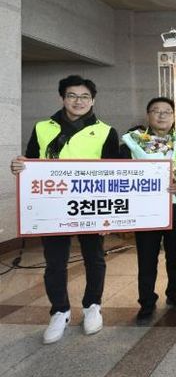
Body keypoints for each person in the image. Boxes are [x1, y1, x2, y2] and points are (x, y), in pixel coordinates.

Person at [10, 75, 119, 344]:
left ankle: (92, 306)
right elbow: (31, 164)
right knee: (55, 262)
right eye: (72, 96)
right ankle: (60, 311)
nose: (78, 101)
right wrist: (20, 166)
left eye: (84, 97)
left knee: (94, 258)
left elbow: (114, 174)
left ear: (93, 100)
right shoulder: (42, 127)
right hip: (53, 207)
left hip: (91, 207)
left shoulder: (106, 131)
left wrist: (110, 216)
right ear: (62, 98)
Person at [120, 97, 176, 324]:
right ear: (148, 115)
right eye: (156, 111)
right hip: (146, 210)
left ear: (174, 116)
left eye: (167, 111)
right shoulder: (134, 141)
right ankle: (147, 302)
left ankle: (175, 294)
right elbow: (118, 171)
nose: (161, 115)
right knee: (147, 259)